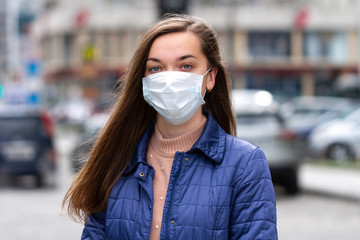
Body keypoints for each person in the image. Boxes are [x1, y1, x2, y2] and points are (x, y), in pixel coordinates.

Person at [63, 14, 278, 240]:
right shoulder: (116, 160)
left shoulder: (245, 164)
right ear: (143, 80)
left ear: (210, 77)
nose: (169, 78)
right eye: (156, 68)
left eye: (185, 66)